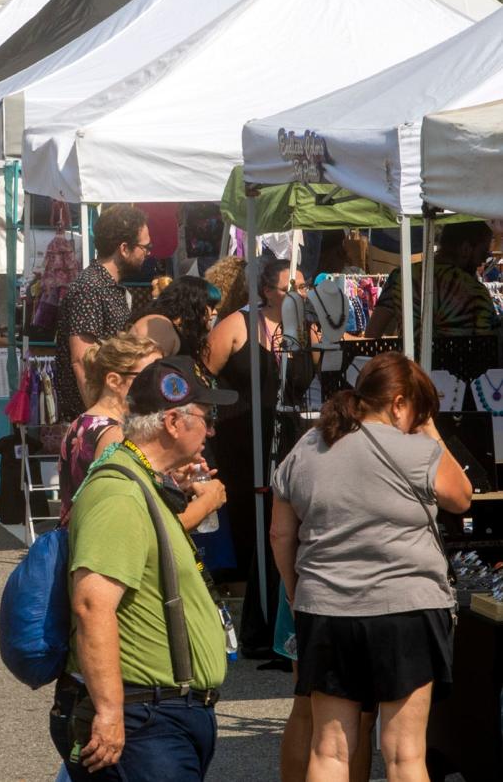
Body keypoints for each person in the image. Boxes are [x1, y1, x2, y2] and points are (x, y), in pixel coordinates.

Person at [270, 353, 471, 782]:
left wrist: (295, 590)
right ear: (400, 403)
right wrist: (431, 432)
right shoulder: (418, 450)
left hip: (325, 609)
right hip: (407, 610)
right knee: (404, 755)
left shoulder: (306, 446)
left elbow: (280, 535)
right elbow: (462, 496)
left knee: (330, 751)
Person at [55, 356, 234, 780]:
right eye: (204, 418)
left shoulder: (141, 482)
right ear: (173, 422)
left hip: (161, 714)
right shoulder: (119, 493)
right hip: (146, 719)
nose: (210, 430)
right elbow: (91, 604)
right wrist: (111, 713)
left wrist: (175, 489)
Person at [205, 257, 313, 654]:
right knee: (250, 520)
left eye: (303, 288)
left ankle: (277, 606)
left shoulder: (306, 329)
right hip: (241, 438)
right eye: (291, 288)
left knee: (284, 518)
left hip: (290, 438)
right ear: (267, 291)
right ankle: (249, 604)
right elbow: (205, 374)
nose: (299, 295)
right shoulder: (237, 325)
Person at [55, 204, 150, 421]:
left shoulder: (108, 287)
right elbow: (81, 359)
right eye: (145, 247)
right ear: (124, 248)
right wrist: (100, 416)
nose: (148, 253)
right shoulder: (90, 288)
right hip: (95, 413)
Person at [58, 333, 163, 523]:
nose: (158, 384)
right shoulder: (115, 434)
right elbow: (129, 510)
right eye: (150, 376)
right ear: (114, 381)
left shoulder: (82, 422)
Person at [366, 220, 499, 340]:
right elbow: (491, 344)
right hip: (463, 366)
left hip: (412, 366)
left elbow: (372, 333)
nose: (483, 260)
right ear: (465, 249)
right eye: (484, 252)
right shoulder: (476, 291)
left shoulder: (401, 277)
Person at [129, 276, 220, 360]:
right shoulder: (160, 326)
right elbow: (146, 371)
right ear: (193, 304)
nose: (215, 312)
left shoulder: (174, 327)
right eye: (211, 306)